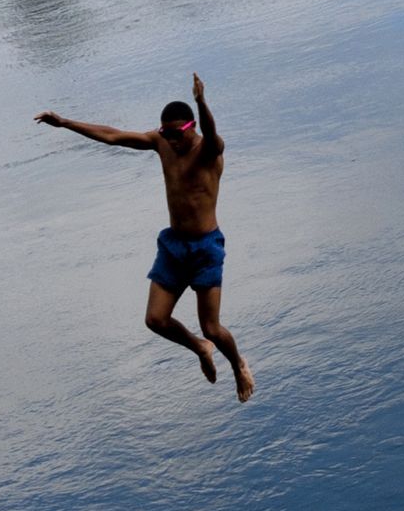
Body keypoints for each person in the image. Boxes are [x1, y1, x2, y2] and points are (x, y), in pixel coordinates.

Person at [36, 72, 256, 401]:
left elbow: (212, 133)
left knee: (212, 326)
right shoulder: (161, 144)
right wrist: (65, 122)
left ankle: (238, 364)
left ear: (191, 127)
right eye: (165, 132)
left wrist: (201, 101)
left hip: (206, 247)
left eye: (177, 133)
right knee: (155, 319)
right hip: (173, 246)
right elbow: (112, 136)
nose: (171, 139)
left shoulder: (209, 150)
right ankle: (199, 348)